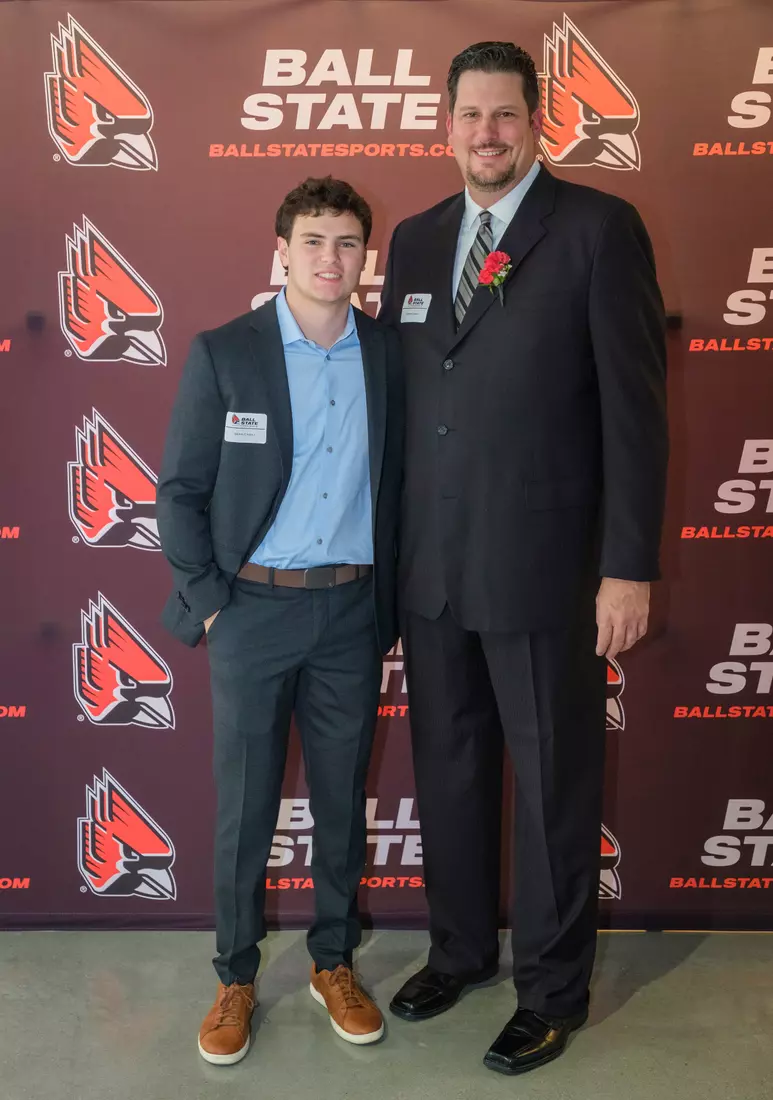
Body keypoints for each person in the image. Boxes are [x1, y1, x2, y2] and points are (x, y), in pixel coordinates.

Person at [379, 41, 667, 1076]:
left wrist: (626, 566)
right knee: (448, 770)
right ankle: (457, 949)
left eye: (504, 116)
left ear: (535, 121)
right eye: (470, 116)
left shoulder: (596, 230)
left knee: (550, 785)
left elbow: (635, 416)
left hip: (548, 570)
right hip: (432, 569)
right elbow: (405, 410)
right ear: (444, 123)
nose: (486, 135)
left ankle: (550, 987)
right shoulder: (414, 241)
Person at [157, 177, 403, 1063]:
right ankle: (234, 975)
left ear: (363, 258)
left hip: (349, 611)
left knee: (339, 802)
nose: (329, 258)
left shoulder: (389, 354)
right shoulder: (227, 352)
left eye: (345, 242)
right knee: (247, 807)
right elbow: (179, 491)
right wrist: (213, 603)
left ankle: (333, 962)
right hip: (250, 609)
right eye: (312, 240)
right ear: (282, 252)